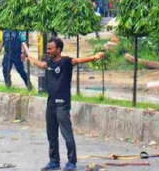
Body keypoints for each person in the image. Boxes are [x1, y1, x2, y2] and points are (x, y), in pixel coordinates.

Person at [27, 38, 105, 171]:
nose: (48, 51)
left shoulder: (66, 62)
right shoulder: (49, 64)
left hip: (62, 105)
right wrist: (31, 59)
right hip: (50, 104)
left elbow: (79, 60)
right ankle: (54, 161)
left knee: (67, 134)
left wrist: (95, 57)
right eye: (47, 48)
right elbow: (41, 64)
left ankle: (72, 162)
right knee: (51, 134)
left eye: (50, 48)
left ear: (58, 49)